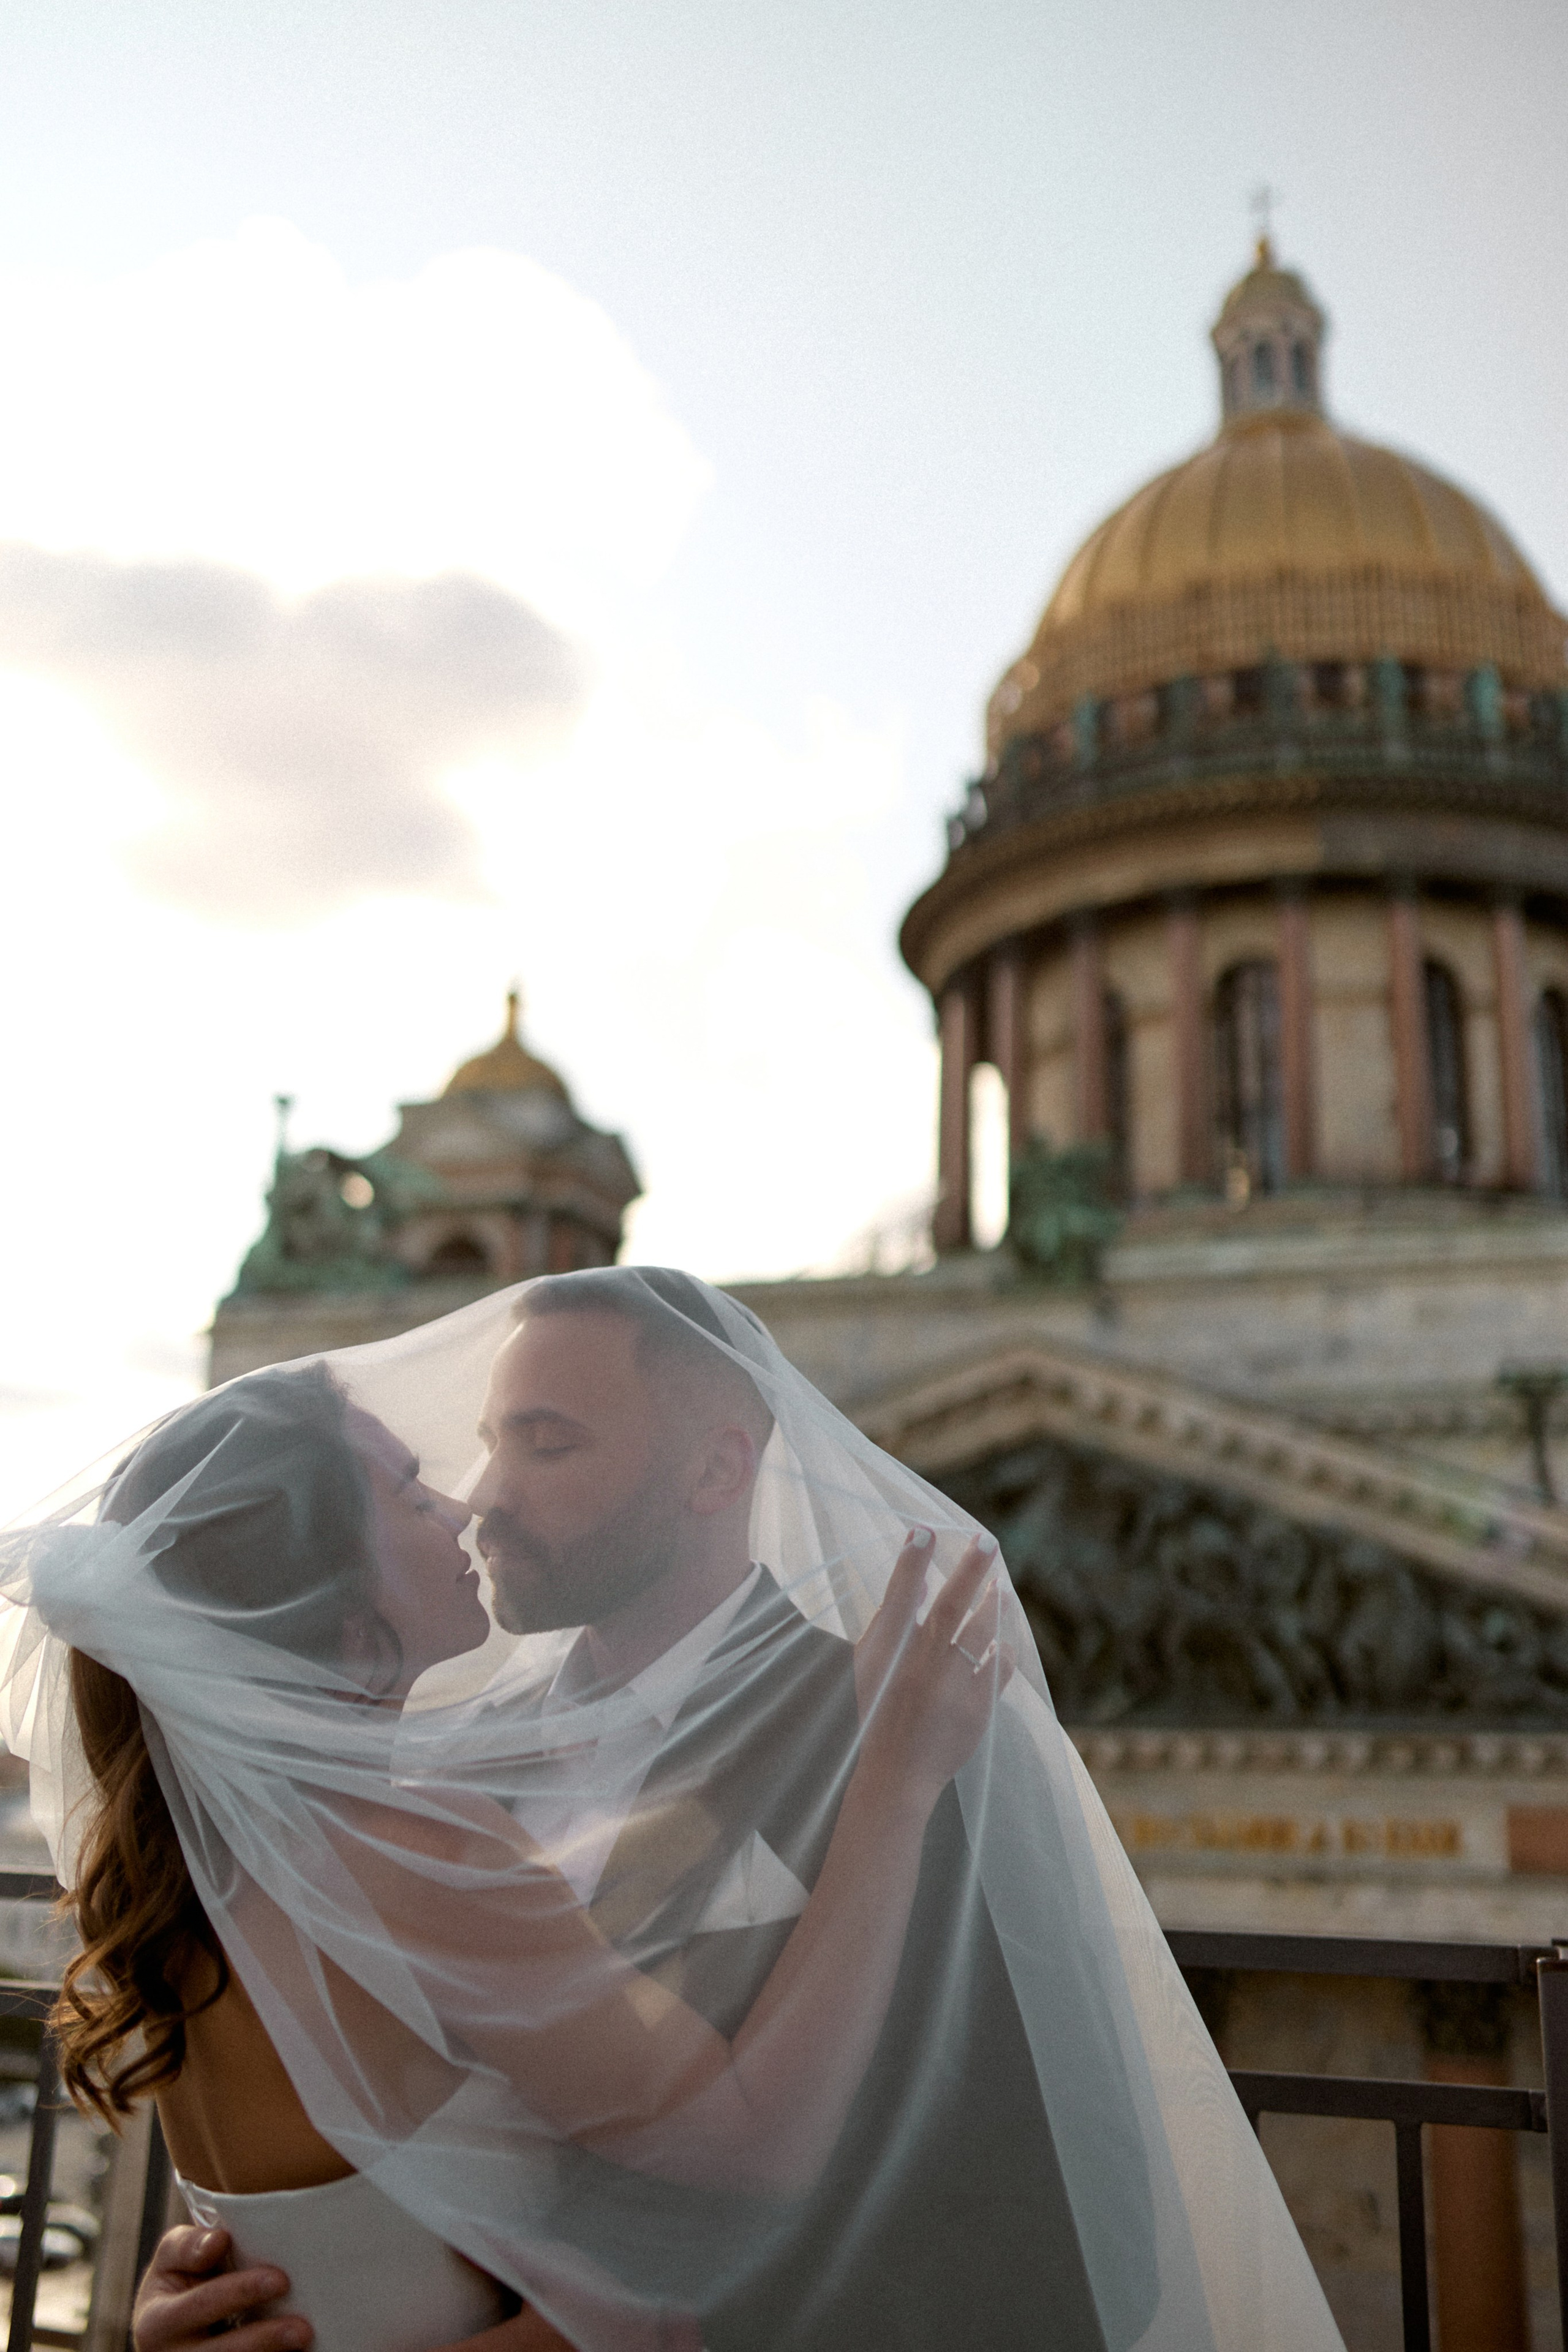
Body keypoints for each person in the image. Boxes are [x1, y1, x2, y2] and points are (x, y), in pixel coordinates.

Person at [6, 1270, 1346, 2352]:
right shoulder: (443, 1789)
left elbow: (1048, 2186)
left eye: (548, 1441)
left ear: (716, 1472)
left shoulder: (909, 1735)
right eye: (468, 1453)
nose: (480, 1498)